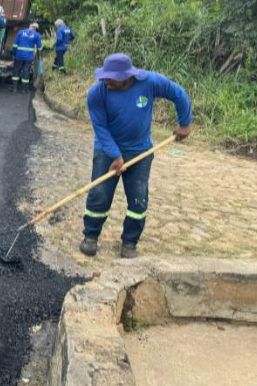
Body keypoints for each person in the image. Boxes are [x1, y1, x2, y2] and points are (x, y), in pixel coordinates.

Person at [80, 54, 192, 259]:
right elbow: (101, 128)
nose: (106, 81)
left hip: (140, 152)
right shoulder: (97, 92)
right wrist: (115, 155)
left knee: (138, 199)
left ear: (126, 77)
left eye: (111, 78)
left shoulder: (150, 82)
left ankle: (130, 242)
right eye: (104, 77)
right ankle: (91, 236)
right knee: (100, 194)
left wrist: (185, 123)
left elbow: (179, 93)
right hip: (107, 151)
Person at [11, 23, 43, 93]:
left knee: (16, 71)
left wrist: (14, 53)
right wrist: (40, 55)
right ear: (36, 29)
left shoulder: (21, 32)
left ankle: (14, 88)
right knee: (26, 72)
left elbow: (15, 44)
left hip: (19, 55)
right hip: (28, 57)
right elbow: (40, 47)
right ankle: (24, 89)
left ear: (30, 26)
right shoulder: (37, 35)